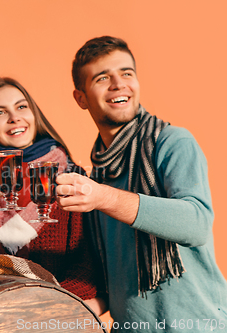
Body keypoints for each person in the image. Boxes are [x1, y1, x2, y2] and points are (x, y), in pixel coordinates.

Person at [58, 36, 227, 331]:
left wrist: (105, 198)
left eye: (126, 73)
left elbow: (197, 224)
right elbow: (115, 279)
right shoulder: (98, 172)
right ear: (81, 98)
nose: (118, 84)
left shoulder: (173, 142)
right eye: (102, 78)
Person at [0, 76, 105, 314]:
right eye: (0, 112)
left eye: (22, 107)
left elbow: (86, 265)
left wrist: (42, 308)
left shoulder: (71, 176)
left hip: (56, 314)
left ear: (34, 114)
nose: (14, 117)